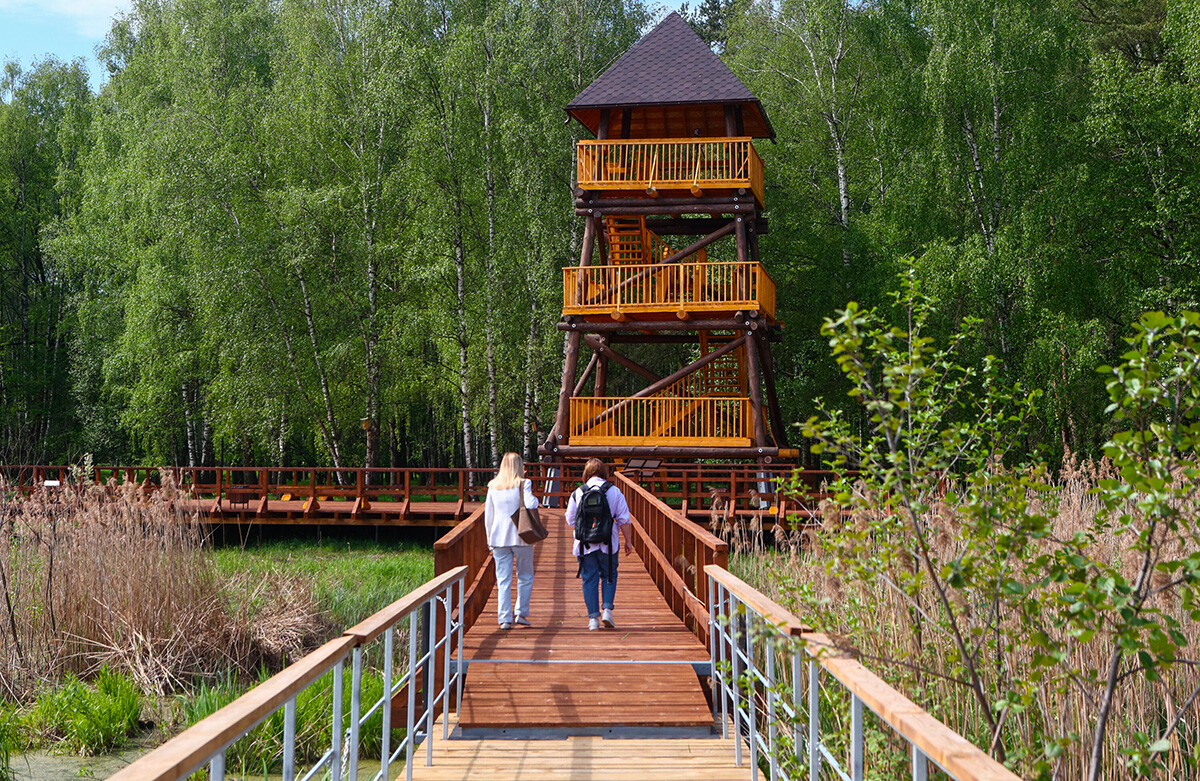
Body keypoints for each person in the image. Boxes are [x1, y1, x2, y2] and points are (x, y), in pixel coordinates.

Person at [565, 458, 634, 630]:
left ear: (586, 473)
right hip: (608, 542)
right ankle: (607, 610)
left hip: (584, 544)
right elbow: (624, 520)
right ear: (604, 473)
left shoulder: (578, 492)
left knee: (589, 578)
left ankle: (593, 619)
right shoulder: (614, 491)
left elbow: (570, 520)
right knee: (609, 575)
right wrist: (628, 541)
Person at [484, 452, 539, 630]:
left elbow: (488, 516)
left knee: (503, 579)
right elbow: (532, 504)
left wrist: (489, 540)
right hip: (522, 536)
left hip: (499, 537)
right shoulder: (524, 483)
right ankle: (521, 613)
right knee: (525, 576)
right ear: (519, 466)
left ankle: (504, 618)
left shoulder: (493, 486)